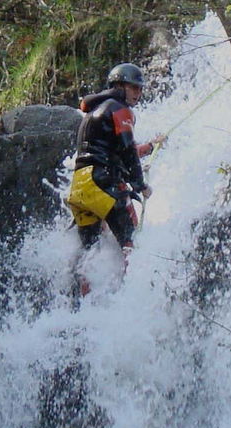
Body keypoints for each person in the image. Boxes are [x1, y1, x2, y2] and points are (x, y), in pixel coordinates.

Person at [66, 62, 166, 295]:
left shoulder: (96, 111)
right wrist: (140, 185)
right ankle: (135, 294)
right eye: (133, 88)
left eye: (140, 89)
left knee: (89, 248)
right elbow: (127, 151)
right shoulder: (120, 109)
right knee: (130, 236)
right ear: (119, 86)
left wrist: (151, 146)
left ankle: (83, 304)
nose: (138, 94)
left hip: (81, 186)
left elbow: (114, 151)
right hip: (103, 181)